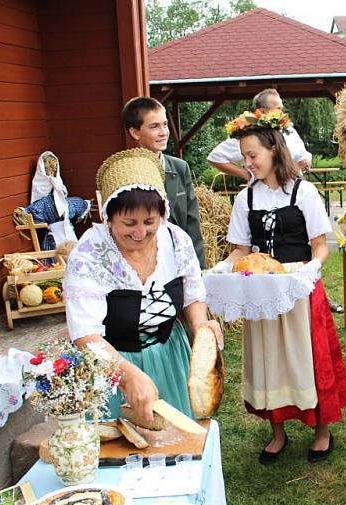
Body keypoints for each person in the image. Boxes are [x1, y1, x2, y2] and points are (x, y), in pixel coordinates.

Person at [215, 109, 346, 464]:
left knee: (306, 355)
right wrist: (224, 266)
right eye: (244, 156)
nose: (247, 163)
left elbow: (321, 244)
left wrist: (311, 270)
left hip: (297, 285)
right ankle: (277, 431)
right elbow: (241, 249)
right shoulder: (246, 198)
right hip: (261, 287)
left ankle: (321, 429)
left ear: (274, 150)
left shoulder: (303, 192)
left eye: (252, 156)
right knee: (269, 358)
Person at [64, 148, 222, 422]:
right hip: (112, 365)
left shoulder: (176, 241)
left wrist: (200, 328)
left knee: (177, 443)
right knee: (124, 450)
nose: (140, 233)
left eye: (150, 221)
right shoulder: (90, 254)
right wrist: (128, 376)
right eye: (128, 223)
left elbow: (193, 294)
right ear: (108, 217)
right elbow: (85, 334)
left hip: (172, 358)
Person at [121, 97, 205, 269]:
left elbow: (192, 223)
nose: (163, 132)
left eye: (165, 124)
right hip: (143, 265)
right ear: (135, 132)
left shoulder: (180, 168)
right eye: (154, 126)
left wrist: (198, 267)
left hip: (180, 262)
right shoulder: (125, 172)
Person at [207, 88, 312, 180]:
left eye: (282, 108)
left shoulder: (288, 129)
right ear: (262, 111)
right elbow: (215, 157)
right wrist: (246, 175)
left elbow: (303, 154)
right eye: (278, 108)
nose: (282, 113)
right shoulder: (250, 136)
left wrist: (307, 160)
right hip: (265, 194)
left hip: (296, 188)